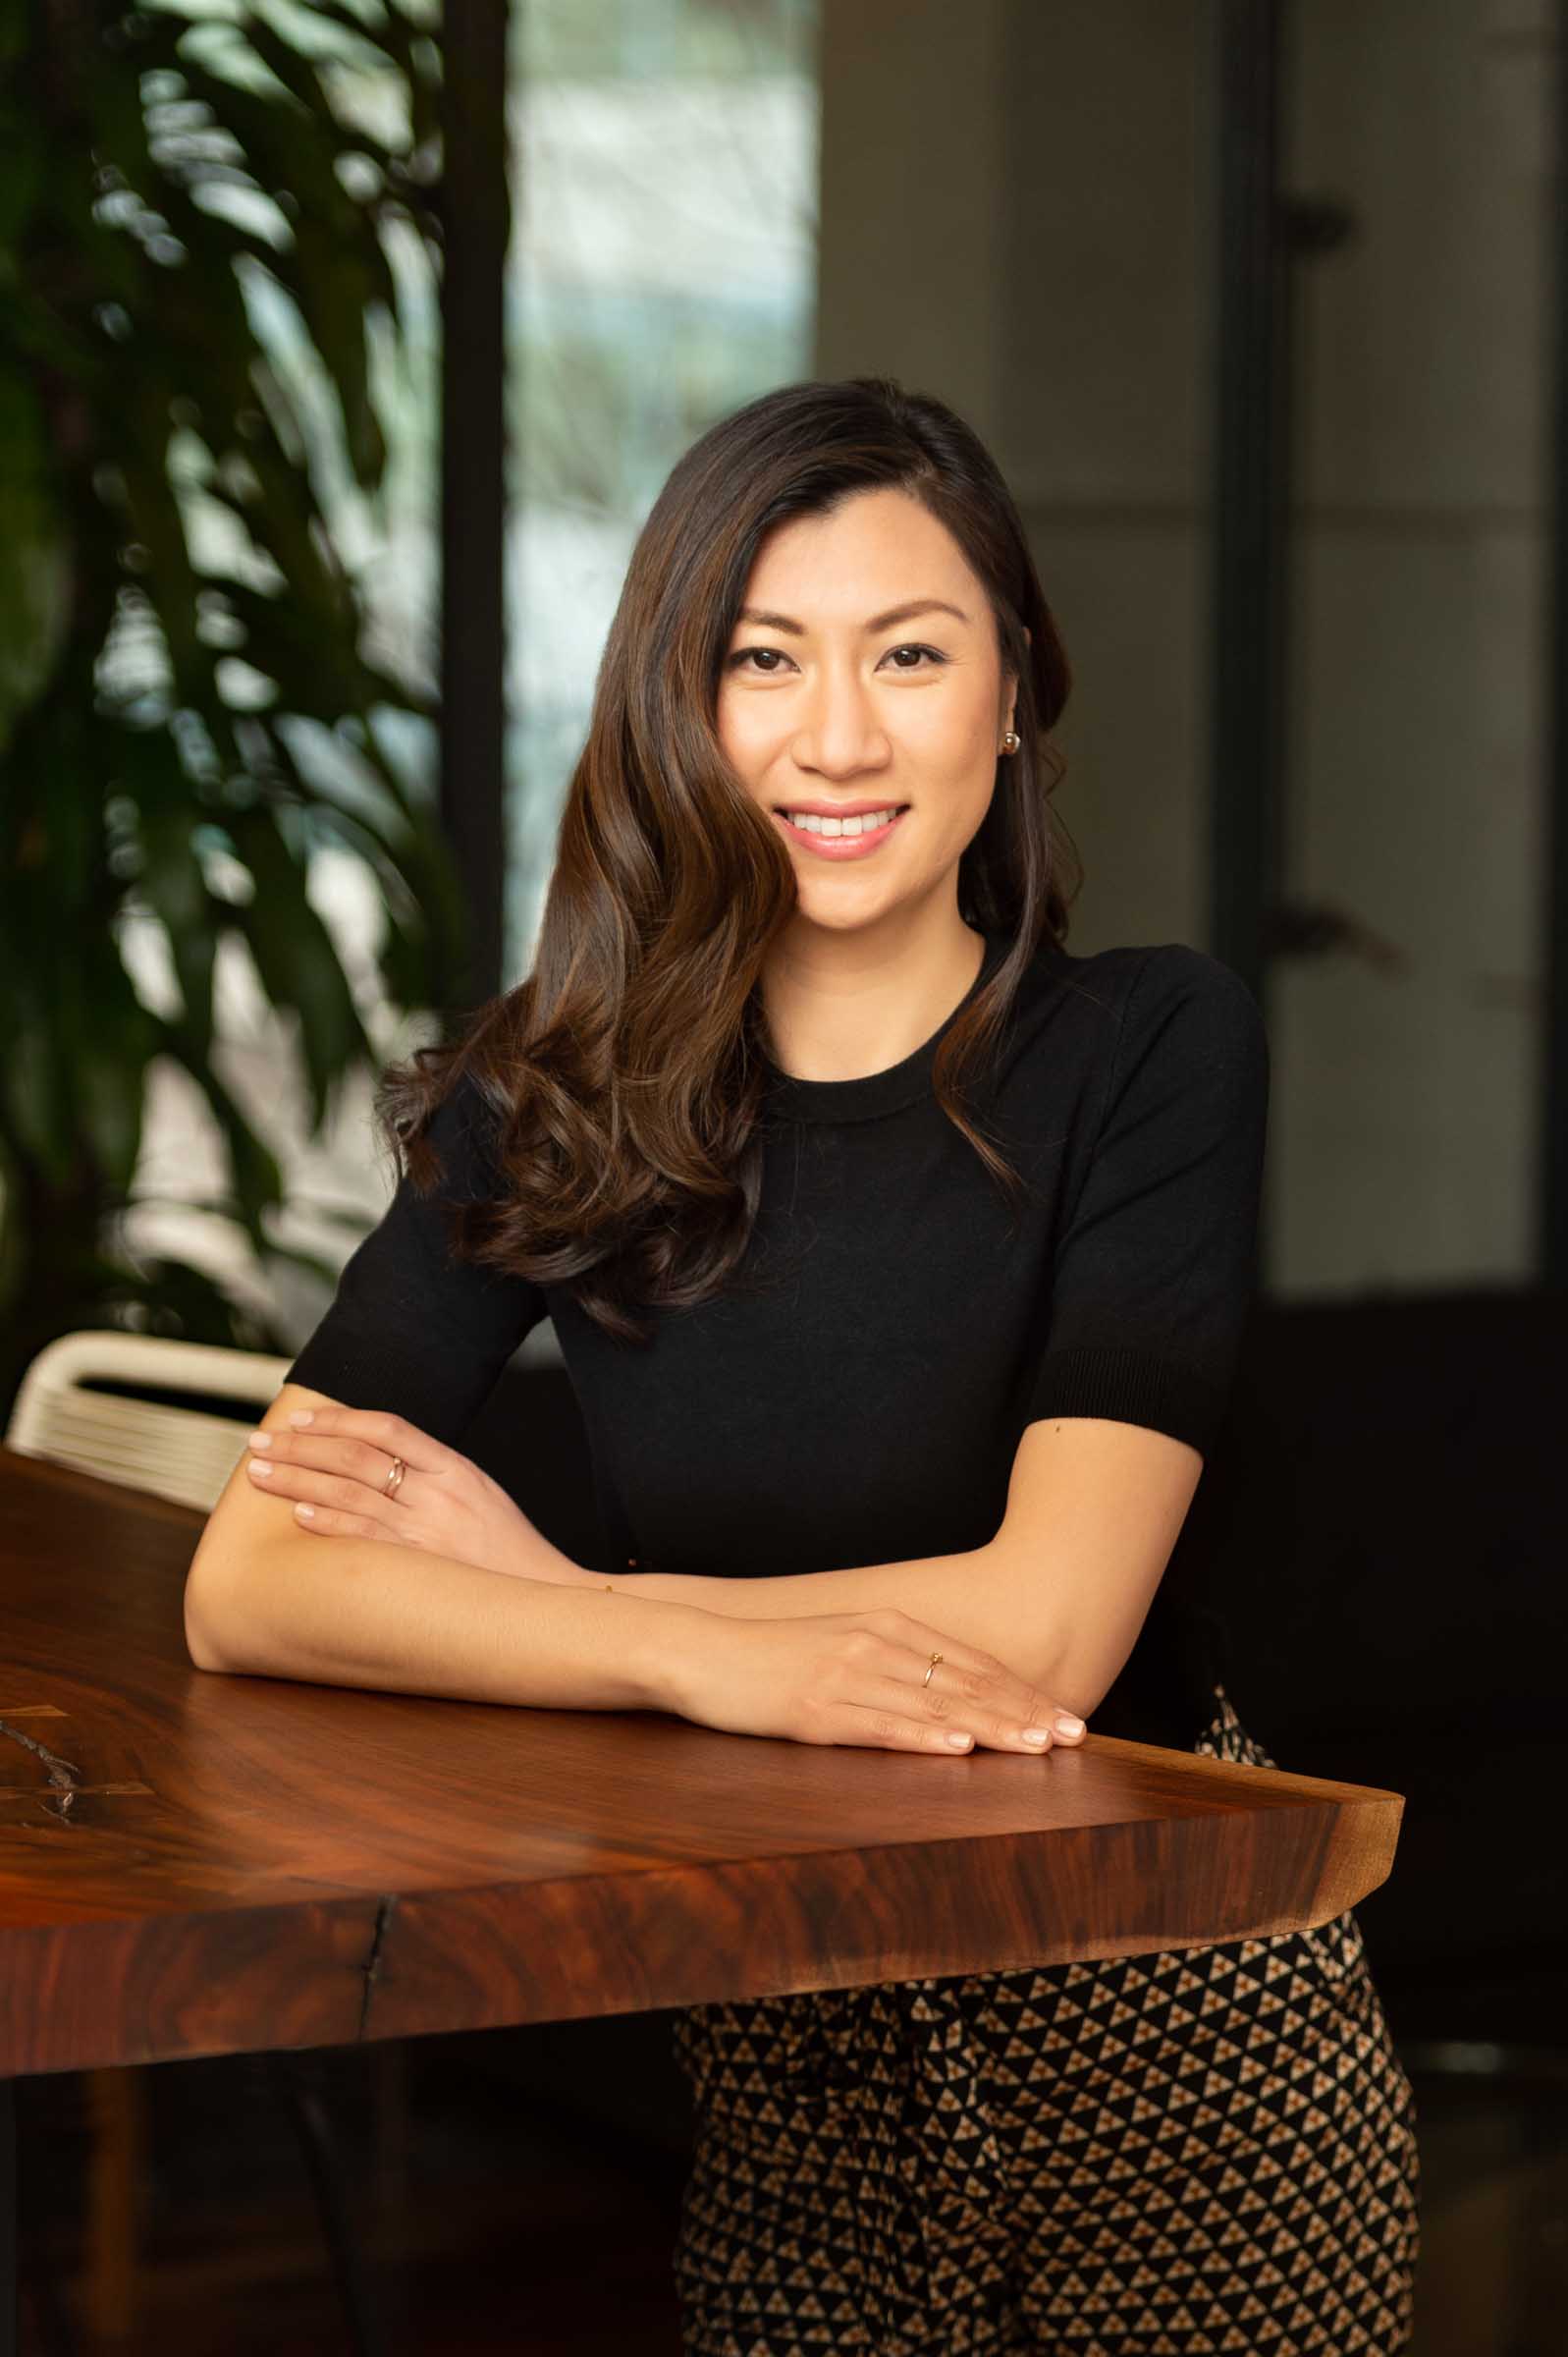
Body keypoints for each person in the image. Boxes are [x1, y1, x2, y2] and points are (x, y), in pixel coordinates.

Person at [185, 375, 1420, 2354]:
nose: (835, 735)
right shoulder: (551, 1096)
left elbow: (1045, 1632)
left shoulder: (1145, 1053)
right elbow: (251, 1587)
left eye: (909, 654)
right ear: (682, 702)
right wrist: (672, 1647)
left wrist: (559, 1601)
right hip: (787, 2106)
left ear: (1010, 693)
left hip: (1173, 2068)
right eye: (763, 659)